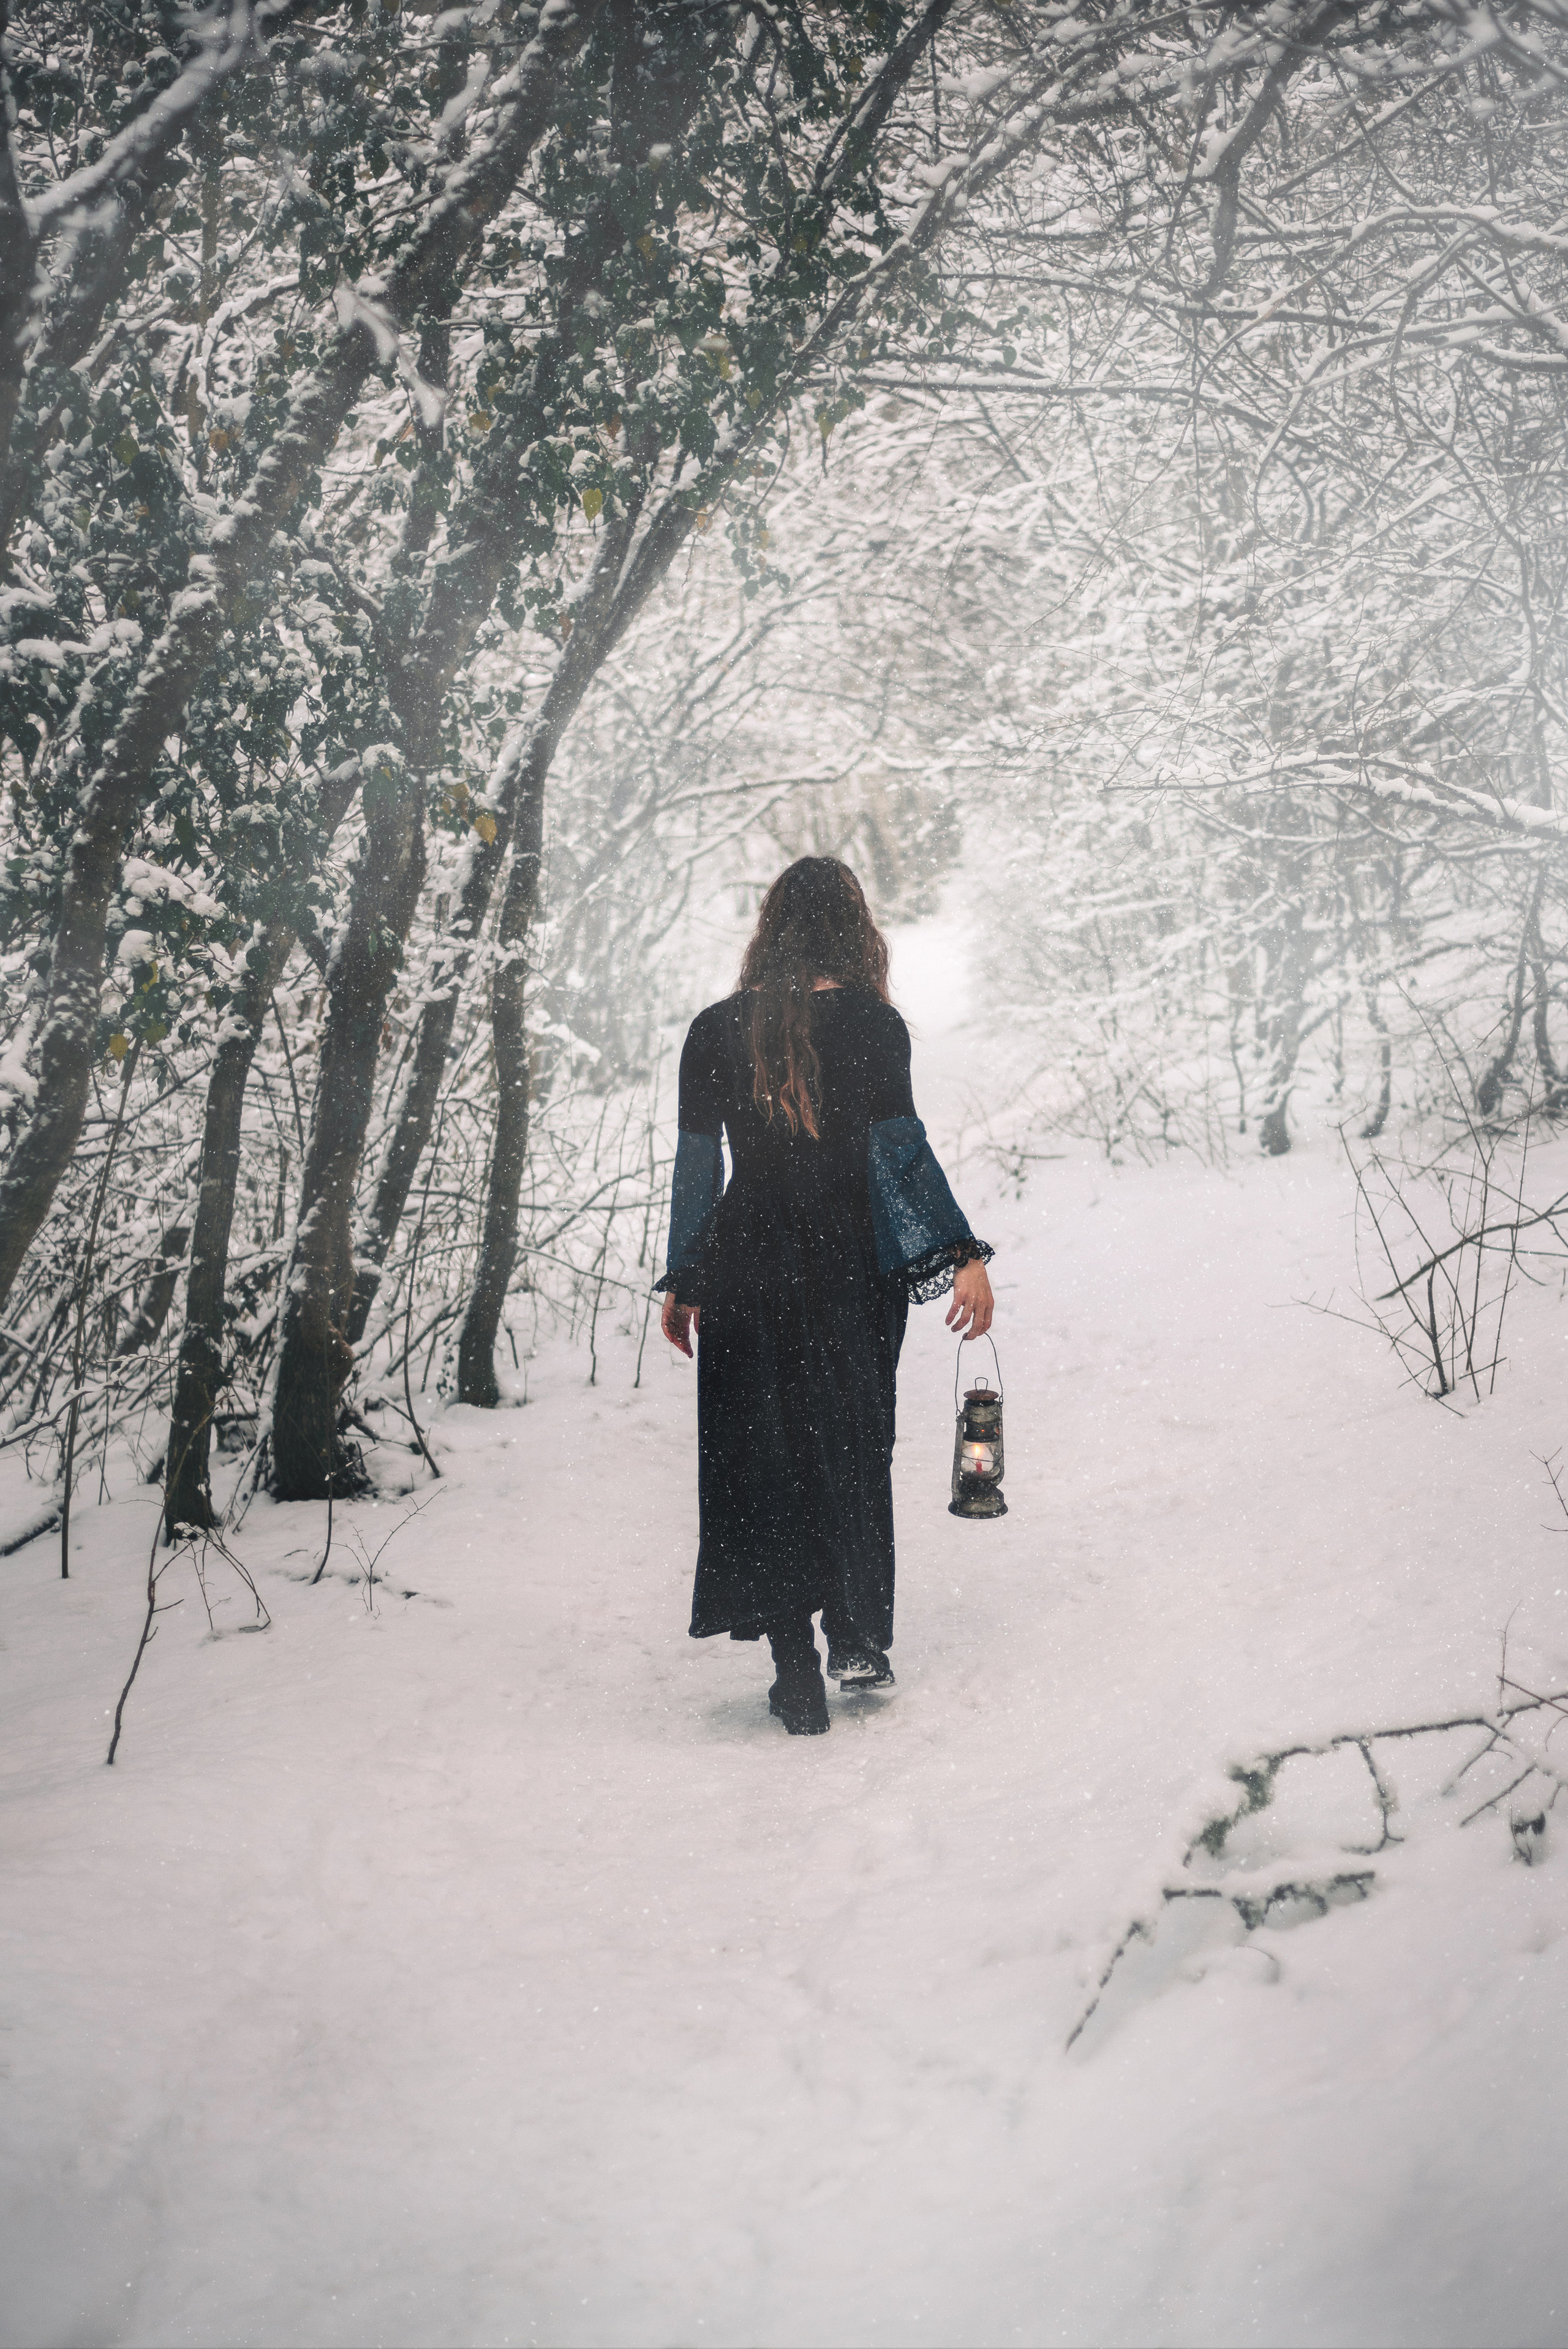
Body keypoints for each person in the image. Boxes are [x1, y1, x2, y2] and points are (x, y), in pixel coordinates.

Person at [655, 857, 995, 1735]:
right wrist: (957, 1251)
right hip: (845, 1265)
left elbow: (700, 1169)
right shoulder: (877, 1029)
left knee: (761, 1455)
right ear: (854, 930)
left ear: (769, 931)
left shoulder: (712, 1032)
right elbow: (898, 1153)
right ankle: (853, 1633)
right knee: (848, 1440)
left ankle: (793, 1669)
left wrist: (688, 1275)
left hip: (746, 1264)